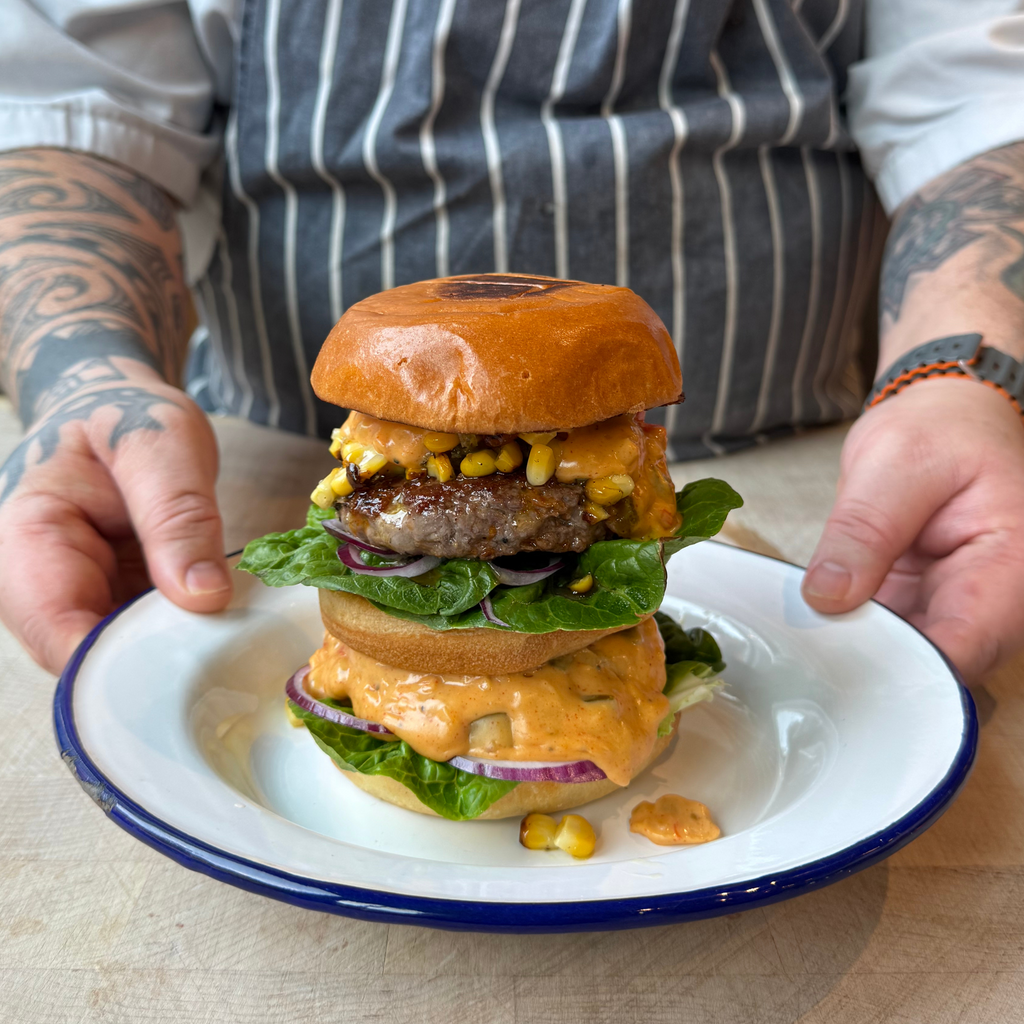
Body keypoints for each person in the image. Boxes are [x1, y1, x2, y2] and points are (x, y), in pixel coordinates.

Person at [0, 0, 1022, 680]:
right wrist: (81, 375)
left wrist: (966, 377)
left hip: (849, 485)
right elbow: (76, 98)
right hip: (246, 466)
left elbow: (979, 80)